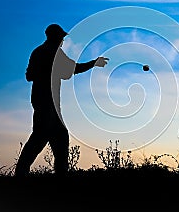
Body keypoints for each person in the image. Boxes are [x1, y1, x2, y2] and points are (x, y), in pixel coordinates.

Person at [15, 23, 109, 177]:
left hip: (43, 102)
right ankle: (23, 173)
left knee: (56, 138)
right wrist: (94, 63)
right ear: (55, 37)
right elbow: (73, 69)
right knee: (42, 138)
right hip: (47, 104)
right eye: (61, 37)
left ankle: (50, 175)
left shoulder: (38, 52)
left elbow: (29, 76)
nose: (62, 41)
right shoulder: (53, 53)